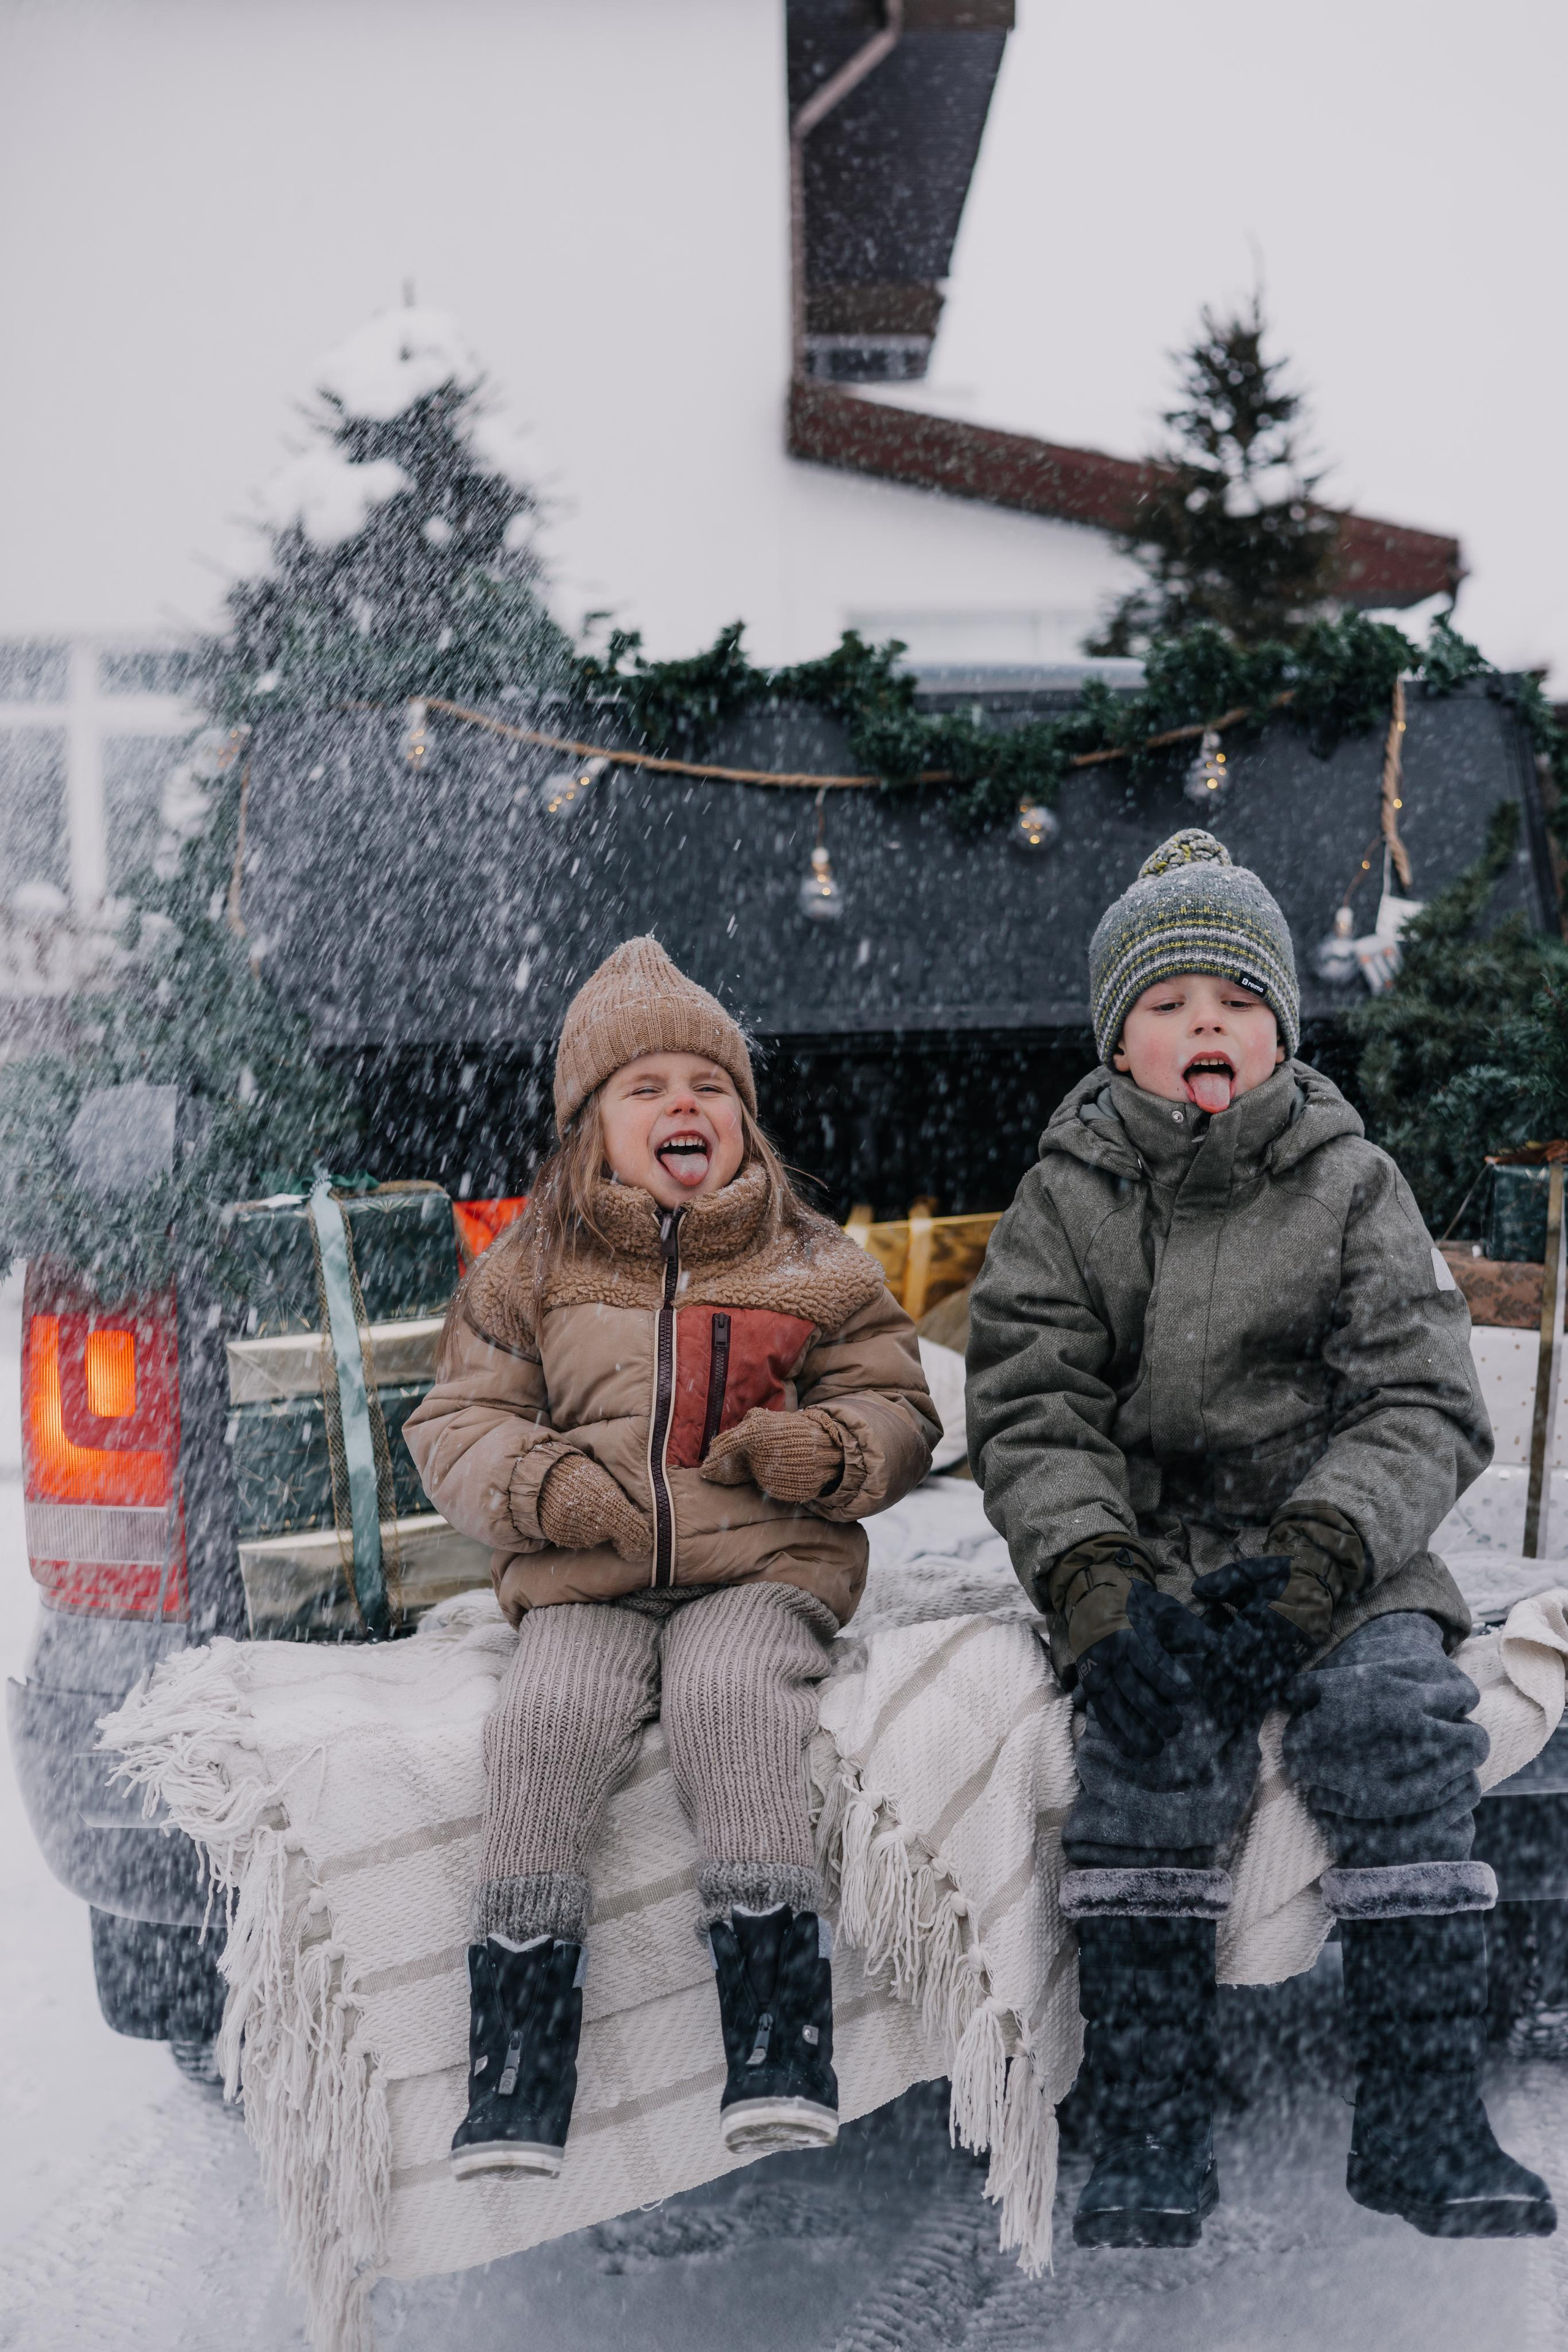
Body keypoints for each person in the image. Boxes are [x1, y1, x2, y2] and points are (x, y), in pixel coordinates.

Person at [967, 828, 1556, 2251]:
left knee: (1397, 1725)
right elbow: (1033, 1408)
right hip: (1150, 1555)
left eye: (1234, 1002)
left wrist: (1317, 1562)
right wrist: (1092, 1588)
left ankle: (1418, 2116)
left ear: (1280, 1036)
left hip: (1333, 1549)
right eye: (1167, 1005)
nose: (1204, 1027)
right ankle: (1149, 2118)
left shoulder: (1348, 1180)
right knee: (1145, 1752)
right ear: (1116, 1045)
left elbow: (1417, 1393)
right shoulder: (1064, 1195)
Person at [404, 937, 937, 2181]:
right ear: (588, 1131)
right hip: (588, 1579)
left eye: (708, 1087)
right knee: (543, 1724)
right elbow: (456, 1424)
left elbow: (898, 1406)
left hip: (757, 1573)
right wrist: (543, 1485)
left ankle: (777, 2031)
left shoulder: (812, 1264)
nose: (681, 1106)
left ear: (743, 1122)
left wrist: (826, 1450)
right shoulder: (529, 1269)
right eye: (643, 1089)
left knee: (729, 1700)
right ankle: (518, 2058)